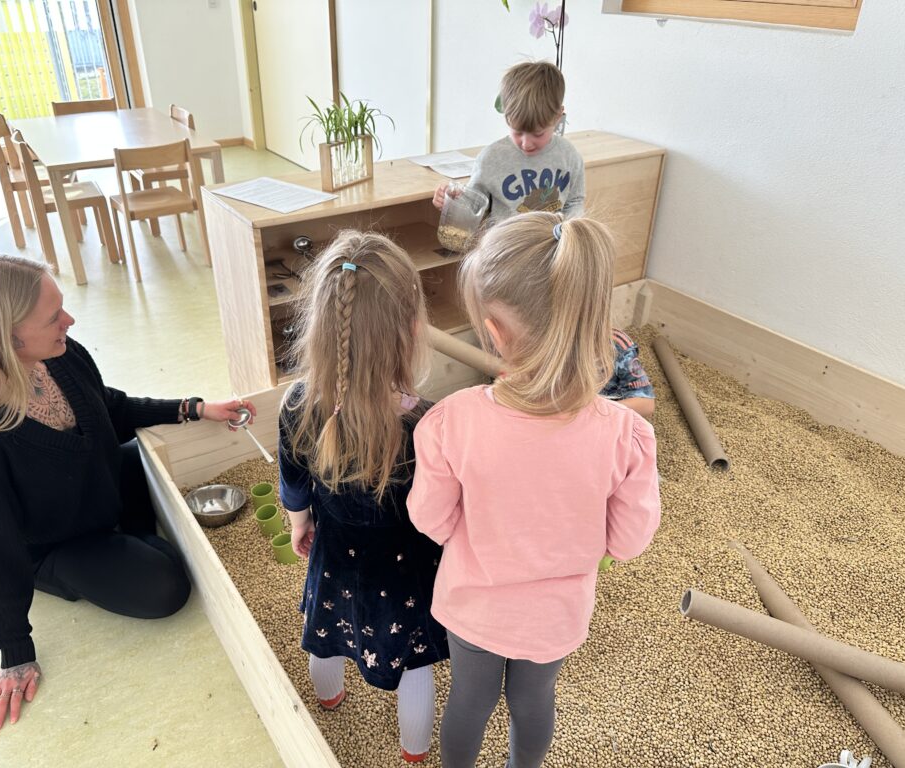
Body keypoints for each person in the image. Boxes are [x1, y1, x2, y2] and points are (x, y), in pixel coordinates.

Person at [0, 253, 253, 731]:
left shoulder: (59, 354)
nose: (69, 320)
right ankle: (95, 555)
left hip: (90, 488)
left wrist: (193, 407)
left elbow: (109, 408)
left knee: (146, 455)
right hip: (56, 542)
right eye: (53, 315)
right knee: (166, 589)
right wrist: (14, 652)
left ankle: (128, 532)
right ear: (6, 334)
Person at [407, 213, 662, 768]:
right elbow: (628, 541)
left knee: (469, 703)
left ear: (493, 333)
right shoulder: (626, 433)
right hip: (557, 614)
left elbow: (430, 518)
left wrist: (478, 534)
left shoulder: (452, 422)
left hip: (474, 603)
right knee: (533, 699)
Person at [278, 231, 448, 763]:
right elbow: (442, 512)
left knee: (325, 634)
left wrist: (298, 525)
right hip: (408, 572)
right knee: (415, 662)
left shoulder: (297, 403)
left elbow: (294, 485)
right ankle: (414, 751)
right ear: (412, 329)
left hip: (336, 556)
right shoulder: (428, 421)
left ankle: (328, 698)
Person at [432, 61, 584, 226]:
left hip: (551, 246)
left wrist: (568, 229)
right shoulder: (492, 158)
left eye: (538, 134)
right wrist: (452, 202)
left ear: (557, 117)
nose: (526, 144)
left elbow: (575, 201)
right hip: (504, 247)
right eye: (517, 132)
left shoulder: (569, 156)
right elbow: (473, 207)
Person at [604, 329, 656, 420]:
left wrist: (600, 412)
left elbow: (647, 404)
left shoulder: (618, 347)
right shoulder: (571, 342)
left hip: (608, 412)